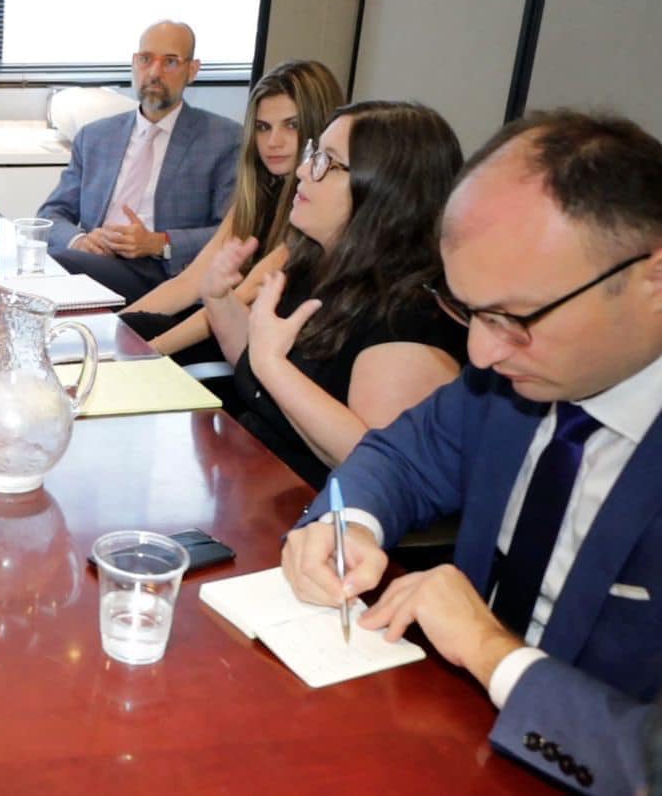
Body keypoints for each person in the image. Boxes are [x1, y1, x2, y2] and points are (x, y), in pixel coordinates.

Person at [281, 110, 662, 794]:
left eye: (514, 318)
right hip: (446, 732)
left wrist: (490, 651)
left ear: (653, 278)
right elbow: (399, 458)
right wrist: (348, 525)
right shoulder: (506, 384)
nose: (481, 354)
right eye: (467, 312)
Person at [206, 101, 466, 488]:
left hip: (312, 508)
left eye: (328, 162)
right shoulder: (317, 264)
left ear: (385, 191)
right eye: (315, 154)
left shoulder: (410, 316)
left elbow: (380, 465)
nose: (302, 171)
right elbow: (255, 357)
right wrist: (218, 299)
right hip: (251, 474)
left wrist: (272, 364)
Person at [121, 59, 345, 362]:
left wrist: (145, 353)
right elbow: (189, 282)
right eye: (263, 128)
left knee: (139, 339)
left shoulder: (313, 210)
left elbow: (234, 301)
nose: (273, 142)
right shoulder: (256, 197)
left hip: (253, 350)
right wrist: (109, 329)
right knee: (131, 326)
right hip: (220, 327)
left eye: (291, 125)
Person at [36, 20, 243, 302]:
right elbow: (51, 214)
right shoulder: (96, 137)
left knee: (55, 271)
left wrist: (159, 243)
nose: (154, 72)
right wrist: (80, 241)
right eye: (146, 59)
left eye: (170, 61)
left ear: (192, 70)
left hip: (164, 274)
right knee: (39, 265)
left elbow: (231, 232)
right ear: (134, 63)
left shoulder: (223, 139)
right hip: (94, 260)